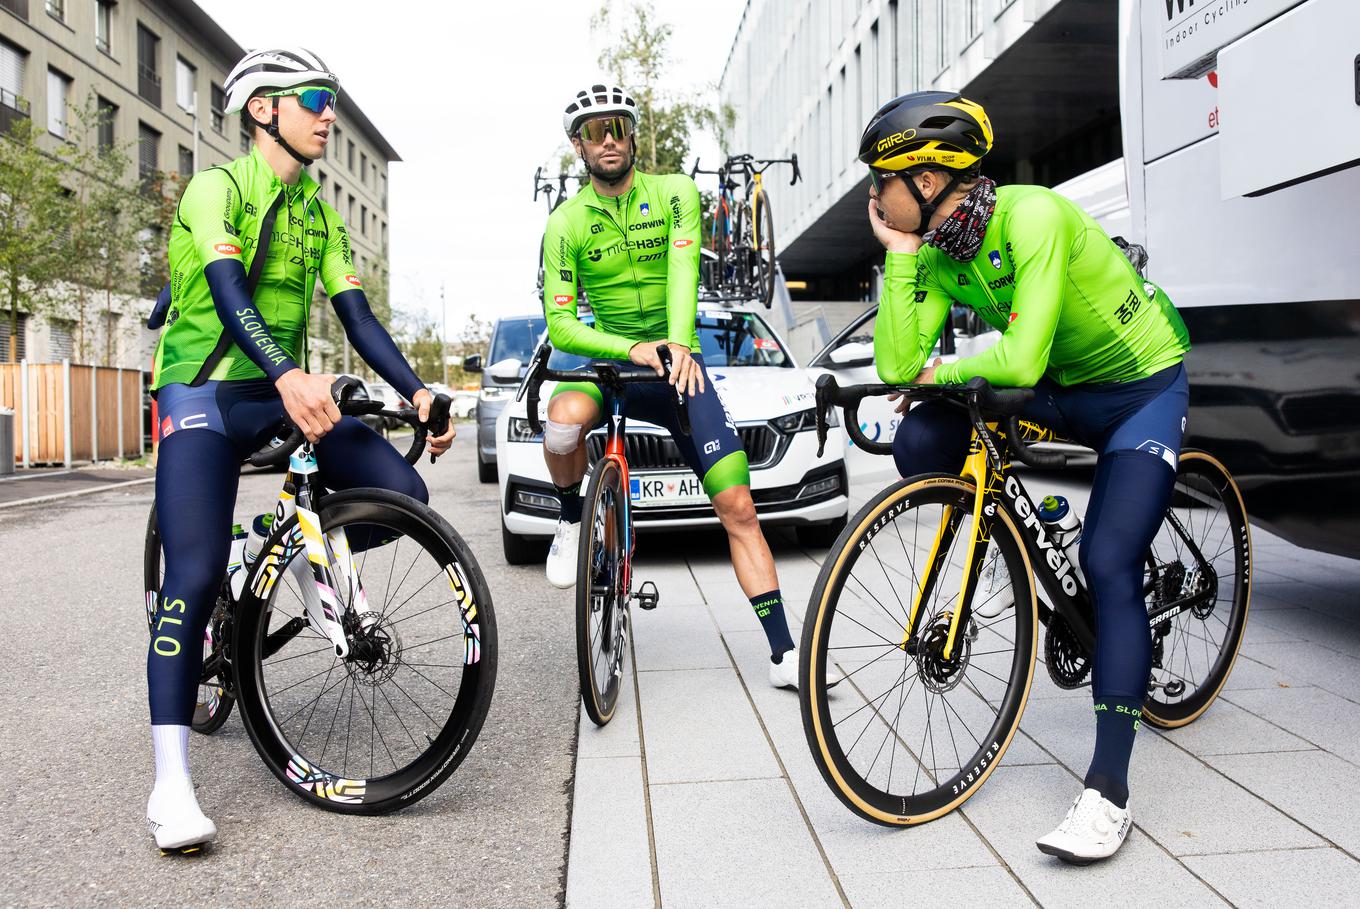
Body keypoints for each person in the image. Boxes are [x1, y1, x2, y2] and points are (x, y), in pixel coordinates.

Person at [859, 91, 1191, 863]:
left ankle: (1109, 791)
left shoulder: (1033, 216)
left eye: (884, 180)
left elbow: (1017, 360)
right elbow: (897, 365)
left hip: (1142, 388)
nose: (875, 198)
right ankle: (1035, 537)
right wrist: (903, 259)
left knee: (1110, 562)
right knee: (924, 436)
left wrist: (945, 365)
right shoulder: (940, 252)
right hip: (1067, 392)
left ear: (932, 178)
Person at [144, 47, 454, 853]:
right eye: (314, 99)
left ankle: (282, 549)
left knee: (401, 496)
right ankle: (170, 782)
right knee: (196, 570)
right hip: (203, 395)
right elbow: (226, 290)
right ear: (260, 110)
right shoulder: (217, 190)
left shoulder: (318, 210)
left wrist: (418, 391)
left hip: (278, 392)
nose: (328, 114)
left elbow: (357, 318)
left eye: (332, 101)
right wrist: (285, 370)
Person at [540, 83, 801, 689]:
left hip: (676, 364)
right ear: (577, 145)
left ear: (634, 134)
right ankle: (573, 517)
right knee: (560, 421)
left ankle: (784, 649)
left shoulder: (676, 193)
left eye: (618, 127)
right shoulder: (564, 225)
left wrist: (677, 345)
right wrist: (631, 348)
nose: (608, 139)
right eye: (594, 130)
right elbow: (561, 323)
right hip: (611, 366)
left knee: (738, 506)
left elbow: (685, 269)